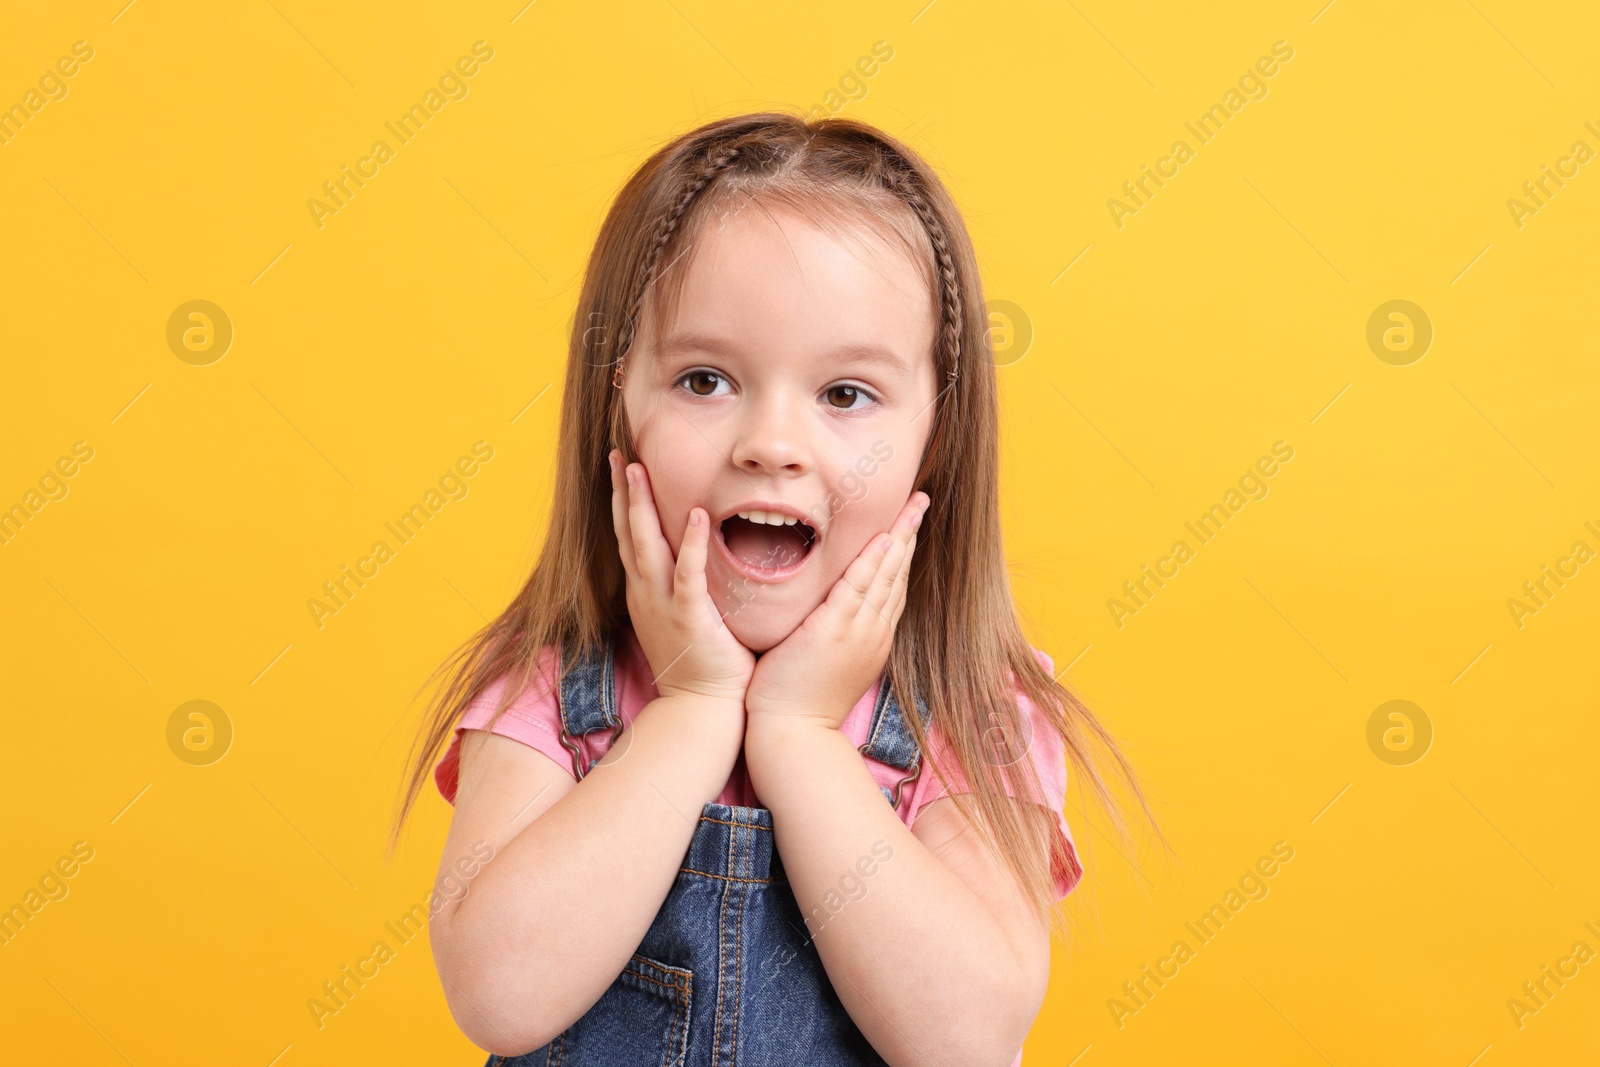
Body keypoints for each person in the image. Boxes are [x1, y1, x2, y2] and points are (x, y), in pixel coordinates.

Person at [388, 110, 1163, 1066]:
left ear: (938, 434)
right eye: (706, 380)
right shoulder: (554, 691)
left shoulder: (971, 713)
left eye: (845, 395)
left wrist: (798, 734)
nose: (772, 445)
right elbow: (500, 995)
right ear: (618, 400)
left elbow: (968, 1038)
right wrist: (695, 708)